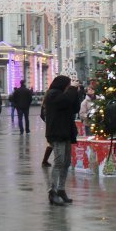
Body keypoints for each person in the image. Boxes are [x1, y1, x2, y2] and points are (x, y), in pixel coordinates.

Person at [44, 75, 81, 206]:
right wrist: (72, 89)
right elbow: (65, 101)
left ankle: (61, 189)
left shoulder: (64, 95)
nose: (68, 87)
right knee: (59, 162)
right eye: (67, 84)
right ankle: (52, 191)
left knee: (66, 162)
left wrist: (76, 93)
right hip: (57, 133)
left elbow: (75, 107)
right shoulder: (53, 94)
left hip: (65, 132)